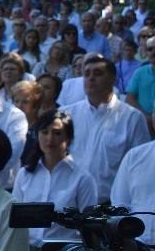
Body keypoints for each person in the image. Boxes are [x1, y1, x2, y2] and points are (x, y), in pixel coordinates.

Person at [63, 54, 150, 202]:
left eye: (98, 73)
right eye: (87, 73)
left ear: (112, 79)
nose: (91, 78)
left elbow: (141, 166)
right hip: (70, 203)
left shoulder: (132, 117)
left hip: (110, 206)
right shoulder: (67, 114)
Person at [14, 110, 97, 251]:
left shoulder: (82, 178)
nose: (50, 139)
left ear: (68, 138)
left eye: (57, 133)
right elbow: (15, 219)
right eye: (44, 132)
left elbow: (89, 227)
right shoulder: (24, 174)